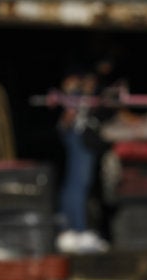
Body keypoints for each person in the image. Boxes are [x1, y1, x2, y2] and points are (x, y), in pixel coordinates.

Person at [54, 66, 110, 254]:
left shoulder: (88, 93)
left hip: (81, 137)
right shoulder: (77, 91)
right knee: (78, 183)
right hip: (78, 137)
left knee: (77, 182)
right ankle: (75, 229)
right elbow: (68, 116)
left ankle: (72, 228)